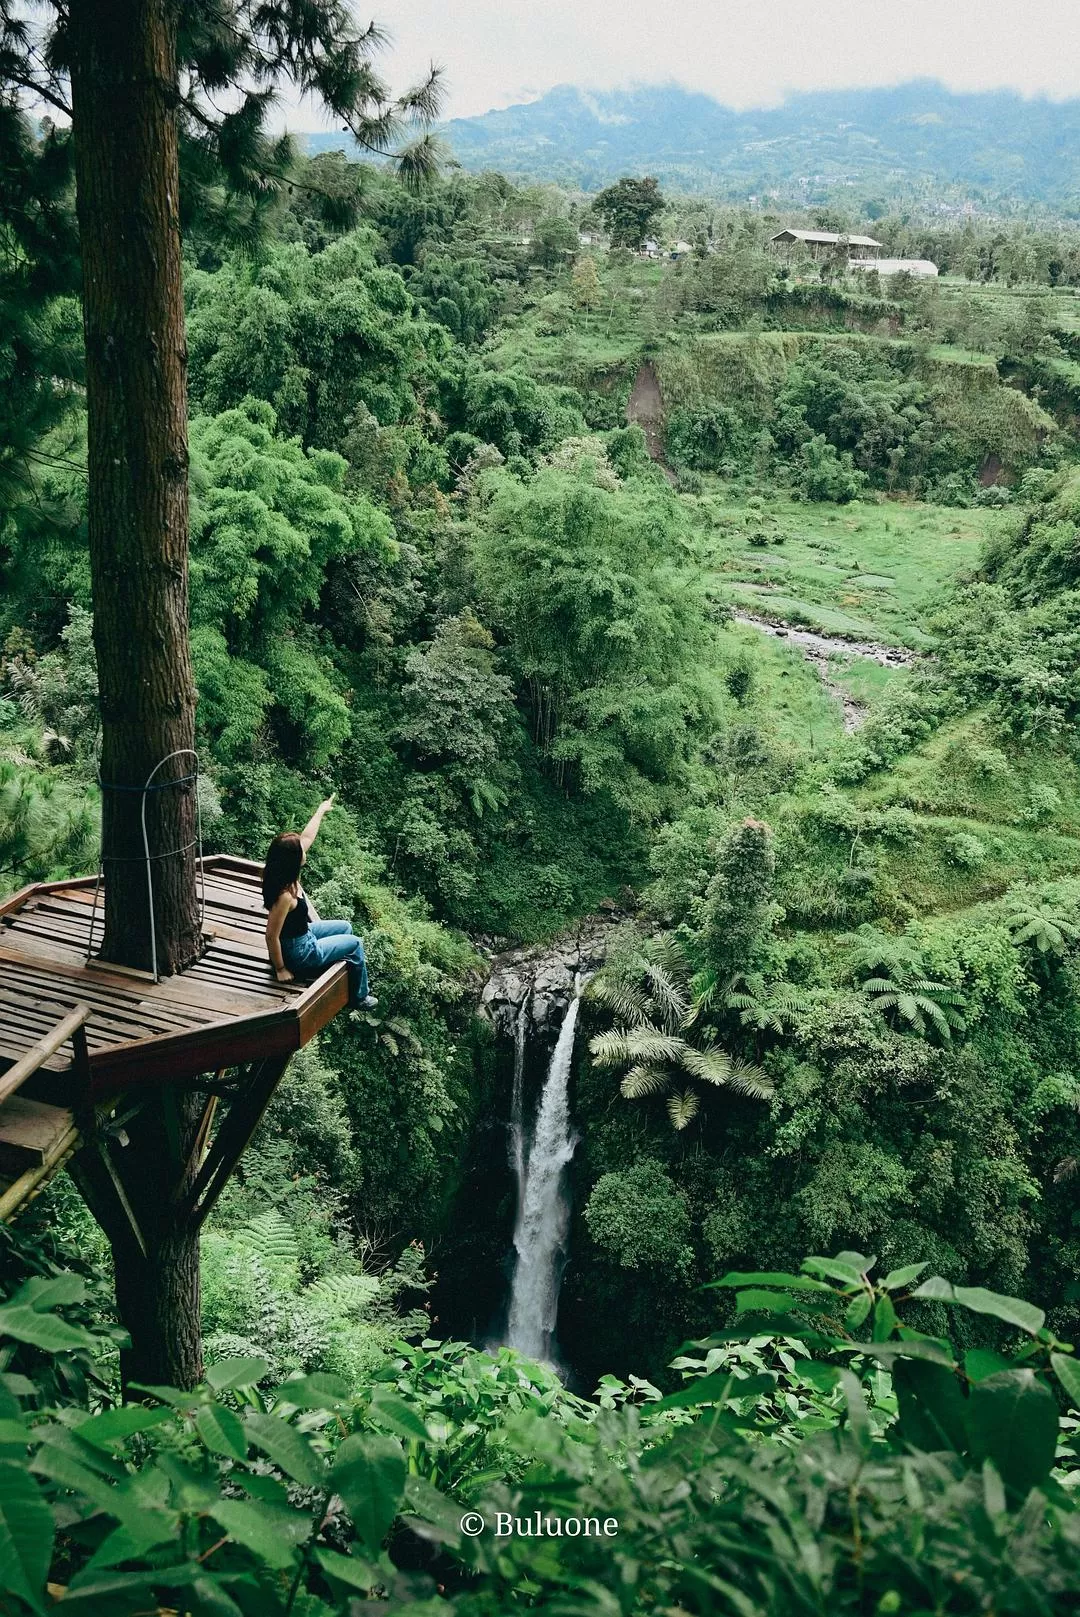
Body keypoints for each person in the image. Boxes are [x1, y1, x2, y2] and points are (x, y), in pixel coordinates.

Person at [262, 795, 377, 1010]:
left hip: (303, 934)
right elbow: (271, 935)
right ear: (294, 859)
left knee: (346, 926)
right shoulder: (284, 895)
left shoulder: (285, 873)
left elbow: (307, 837)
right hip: (301, 953)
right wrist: (280, 969)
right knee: (356, 943)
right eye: (300, 850)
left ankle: (336, 968)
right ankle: (360, 997)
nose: (305, 850)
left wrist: (321, 810)